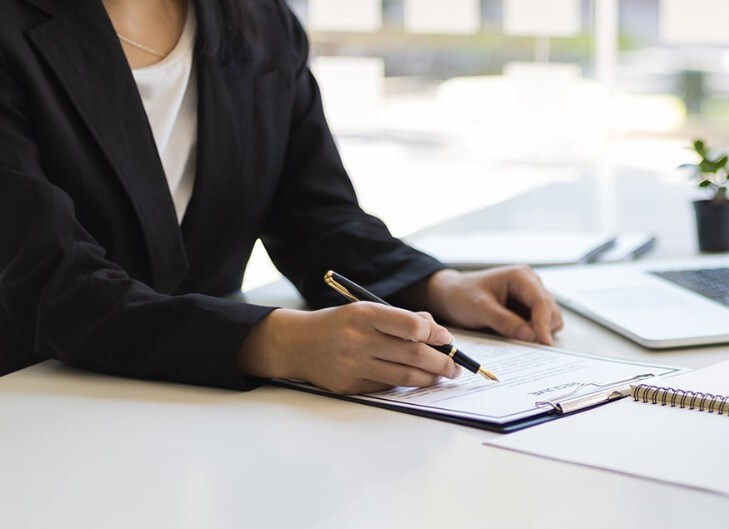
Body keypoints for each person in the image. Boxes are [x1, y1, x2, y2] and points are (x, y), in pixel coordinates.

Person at [0, 0, 563, 394]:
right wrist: (278, 343)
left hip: (193, 416)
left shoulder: (258, 20)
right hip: (37, 407)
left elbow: (316, 219)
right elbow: (50, 284)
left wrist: (440, 286)